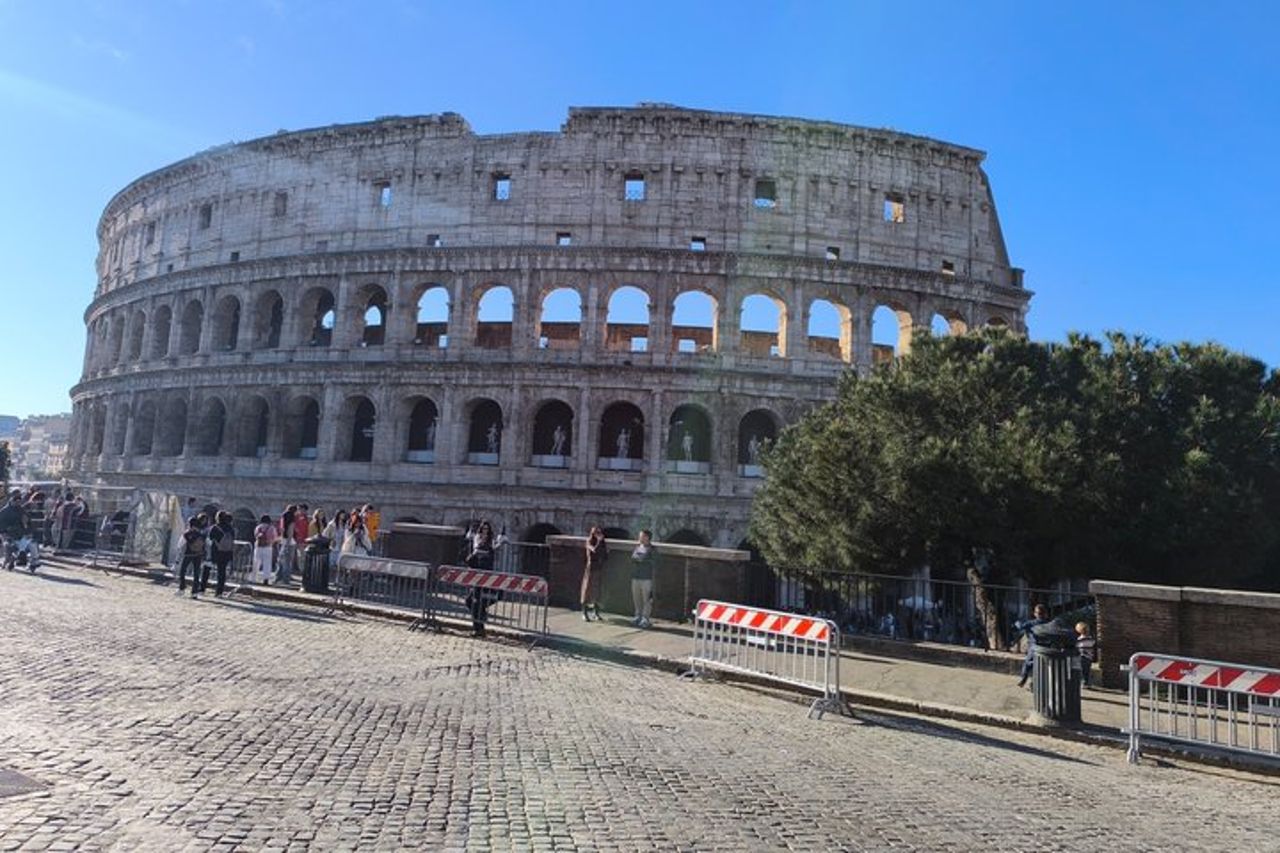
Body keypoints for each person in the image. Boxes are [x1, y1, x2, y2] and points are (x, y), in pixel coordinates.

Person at [465, 520, 497, 636]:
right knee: (470, 602)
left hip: (485, 575)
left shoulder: (491, 542)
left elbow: (491, 557)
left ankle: (479, 628)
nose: (485, 532)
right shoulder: (476, 538)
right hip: (475, 573)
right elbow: (474, 552)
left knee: (475, 602)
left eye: (487, 530)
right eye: (483, 529)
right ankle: (479, 626)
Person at [1015, 604, 1051, 688]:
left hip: (1034, 647)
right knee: (1041, 666)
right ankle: (1034, 682)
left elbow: (1020, 627)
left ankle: (1024, 678)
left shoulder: (1031, 623)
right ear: (1045, 614)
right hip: (1046, 647)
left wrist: (1016, 623)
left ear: (1035, 614)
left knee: (1028, 664)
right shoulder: (1048, 623)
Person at [205, 511, 237, 597]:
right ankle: (219, 591)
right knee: (222, 572)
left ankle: (202, 588)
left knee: (206, 569)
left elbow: (210, 538)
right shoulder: (230, 528)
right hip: (227, 552)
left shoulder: (215, 527)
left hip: (216, 552)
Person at [630, 529, 657, 628]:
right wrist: (641, 559)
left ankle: (645, 618)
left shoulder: (652, 549)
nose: (639, 538)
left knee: (646, 599)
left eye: (641, 536)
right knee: (636, 597)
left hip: (647, 577)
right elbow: (633, 558)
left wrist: (642, 559)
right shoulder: (637, 547)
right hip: (636, 576)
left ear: (647, 537)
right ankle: (638, 616)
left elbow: (655, 561)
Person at [581, 526, 608, 621]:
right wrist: (599, 542)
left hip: (599, 569)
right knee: (587, 590)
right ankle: (584, 612)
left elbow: (605, 555)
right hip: (590, 569)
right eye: (596, 533)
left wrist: (602, 544)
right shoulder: (589, 542)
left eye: (599, 533)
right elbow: (593, 551)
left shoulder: (602, 543)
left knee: (597, 591)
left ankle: (596, 613)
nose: (598, 535)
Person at [177, 515, 207, 598]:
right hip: (198, 555)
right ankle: (194, 592)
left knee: (182, 571)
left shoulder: (187, 533)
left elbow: (180, 545)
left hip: (188, 554)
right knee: (196, 573)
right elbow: (204, 545)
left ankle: (182, 588)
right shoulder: (201, 534)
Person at [251, 514, 277, 585]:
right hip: (268, 547)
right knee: (267, 563)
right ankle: (266, 579)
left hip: (258, 546)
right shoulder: (271, 528)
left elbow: (255, 535)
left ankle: (253, 578)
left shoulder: (258, 527)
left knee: (256, 562)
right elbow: (274, 538)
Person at [277, 505, 299, 585]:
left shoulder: (283, 517)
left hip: (283, 539)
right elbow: (291, 530)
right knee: (288, 561)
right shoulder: (292, 519)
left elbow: (282, 529)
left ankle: (278, 577)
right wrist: (288, 541)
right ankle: (286, 579)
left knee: (280, 560)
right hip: (290, 542)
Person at [1076, 621, 1097, 688]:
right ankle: (1086, 682)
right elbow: (1093, 645)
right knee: (1087, 670)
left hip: (1082, 656)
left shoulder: (1079, 639)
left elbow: (1077, 647)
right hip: (1089, 657)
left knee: (1083, 670)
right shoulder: (1091, 639)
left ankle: (1084, 682)